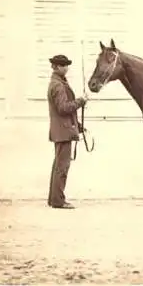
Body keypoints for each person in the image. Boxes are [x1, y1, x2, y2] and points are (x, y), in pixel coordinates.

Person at [46, 54, 88, 209]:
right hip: (63, 132)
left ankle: (54, 199)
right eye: (64, 65)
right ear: (57, 67)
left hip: (62, 130)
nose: (67, 68)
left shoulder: (58, 82)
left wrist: (77, 125)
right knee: (62, 167)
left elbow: (63, 110)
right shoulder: (58, 85)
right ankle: (58, 201)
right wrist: (80, 102)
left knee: (58, 166)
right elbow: (63, 108)